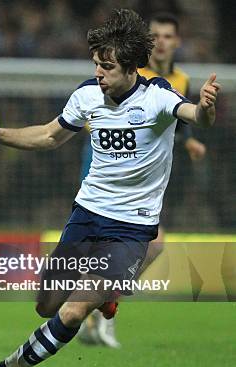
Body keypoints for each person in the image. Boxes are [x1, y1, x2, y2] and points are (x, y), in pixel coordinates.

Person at [0, 9, 220, 367]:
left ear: (130, 69)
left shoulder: (157, 96)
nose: (98, 73)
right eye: (96, 64)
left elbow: (195, 116)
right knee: (47, 305)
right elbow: (47, 136)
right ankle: (108, 295)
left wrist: (206, 109)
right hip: (87, 215)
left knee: (74, 310)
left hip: (132, 227)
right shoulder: (87, 95)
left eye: (106, 67)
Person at [77, 12, 207, 348]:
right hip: (109, 173)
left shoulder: (180, 81)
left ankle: (103, 303)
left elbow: (172, 121)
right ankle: (98, 309)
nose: (161, 41)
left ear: (176, 42)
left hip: (149, 179)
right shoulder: (130, 73)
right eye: (157, 35)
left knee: (153, 247)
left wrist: (189, 141)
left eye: (168, 36)